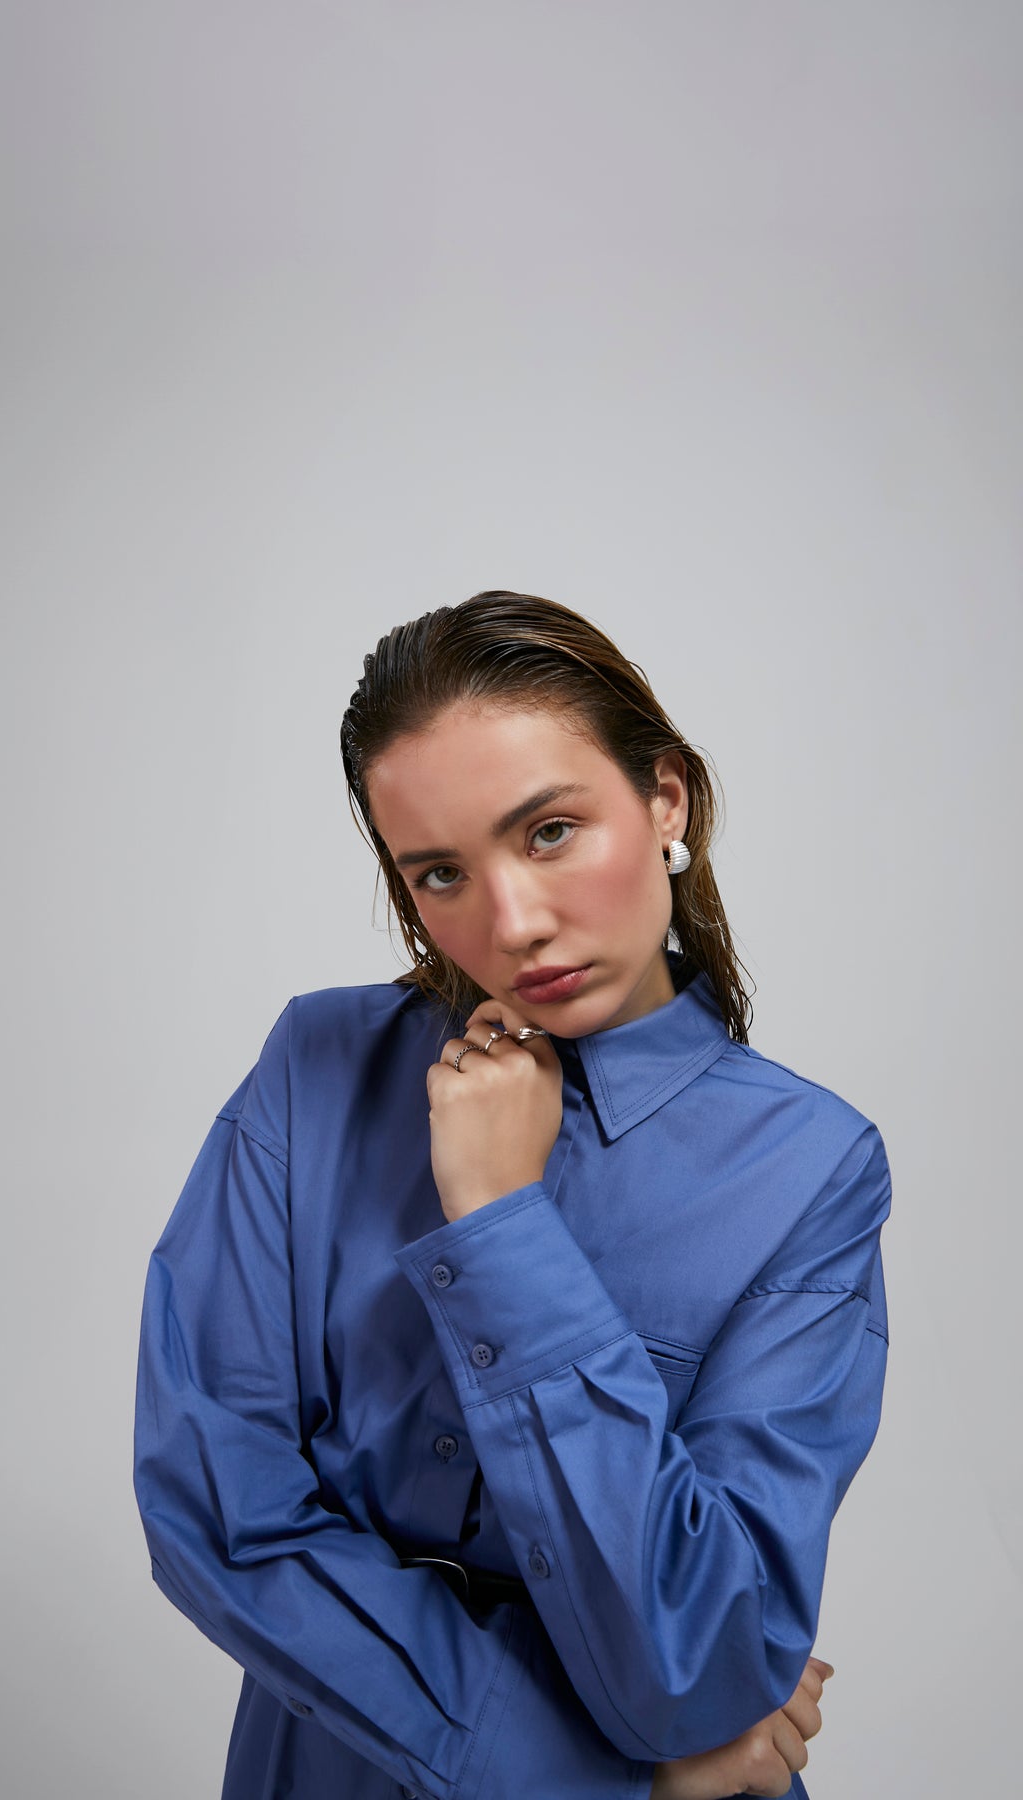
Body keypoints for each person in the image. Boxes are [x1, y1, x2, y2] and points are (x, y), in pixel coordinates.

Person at [133, 590, 891, 1800]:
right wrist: (603, 1776)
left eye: (547, 832)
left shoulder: (810, 1169)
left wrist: (497, 1219)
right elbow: (220, 1517)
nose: (512, 922)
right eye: (440, 872)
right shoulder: (313, 1073)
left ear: (666, 800)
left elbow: (700, 1663)